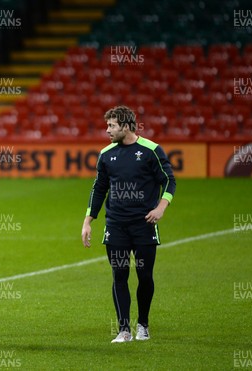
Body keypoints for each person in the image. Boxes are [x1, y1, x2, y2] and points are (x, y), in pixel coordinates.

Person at [81, 105, 176, 343]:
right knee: (119, 275)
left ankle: (143, 324)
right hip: (116, 226)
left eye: (111, 125)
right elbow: (99, 189)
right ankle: (124, 329)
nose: (107, 130)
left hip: (144, 224)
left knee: (144, 276)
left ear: (125, 126)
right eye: (107, 125)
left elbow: (169, 181)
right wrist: (87, 221)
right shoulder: (106, 154)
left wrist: (161, 207)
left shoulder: (151, 150)